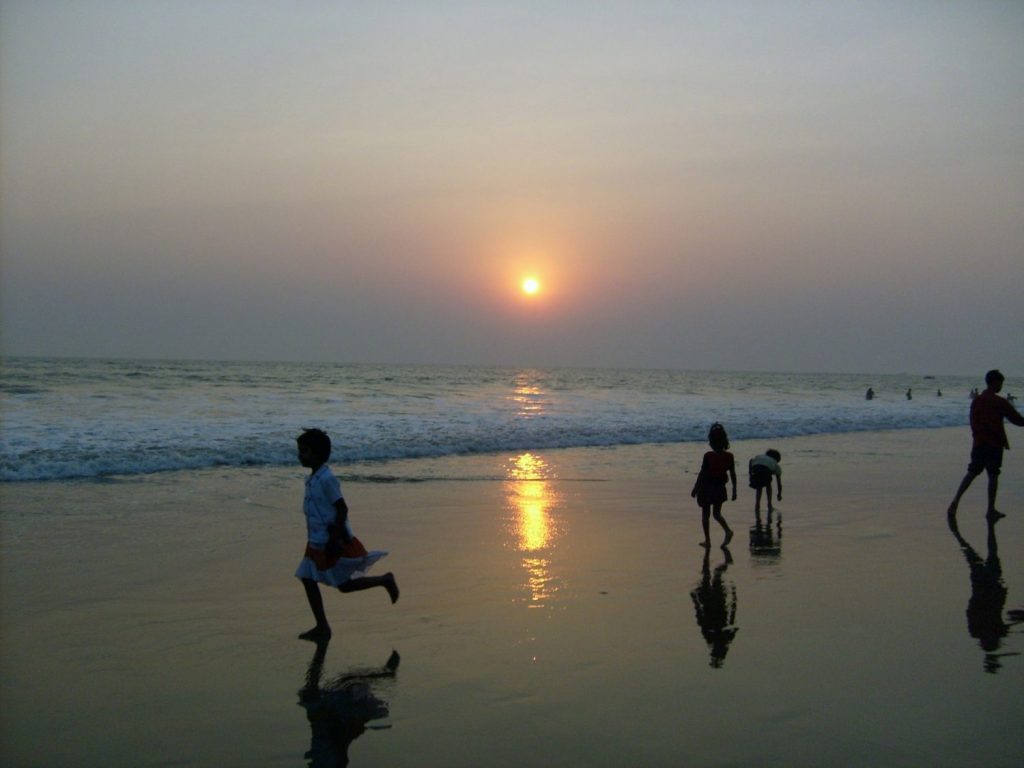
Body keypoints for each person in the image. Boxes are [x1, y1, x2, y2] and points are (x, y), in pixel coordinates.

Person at [295, 428, 399, 640]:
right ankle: (322, 626)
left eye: (304, 451)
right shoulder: (313, 478)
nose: (300, 455)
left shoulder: (327, 479)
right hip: (316, 540)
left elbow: (342, 508)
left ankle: (385, 580)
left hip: (330, 540)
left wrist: (335, 539)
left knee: (343, 585)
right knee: (307, 578)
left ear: (317, 454)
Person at [948, 370, 1024, 520]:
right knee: (993, 476)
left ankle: (955, 501)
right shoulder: (999, 401)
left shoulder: (977, 400)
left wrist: (976, 435)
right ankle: (990, 510)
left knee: (972, 473)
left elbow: (972, 420)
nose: (1001, 386)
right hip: (994, 444)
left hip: (979, 442)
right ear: (995, 382)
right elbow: (1017, 420)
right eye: (1001, 383)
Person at [691, 422, 736, 547]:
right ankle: (727, 530)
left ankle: (708, 540)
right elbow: (733, 474)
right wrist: (734, 490)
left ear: (711, 441)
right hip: (720, 488)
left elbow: (702, 473)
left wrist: (695, 488)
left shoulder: (708, 456)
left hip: (707, 488)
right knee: (717, 514)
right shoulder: (729, 456)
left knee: (706, 514)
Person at [748, 449, 782, 513]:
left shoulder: (760, 456)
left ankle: (757, 504)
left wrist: (750, 474)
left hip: (755, 468)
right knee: (768, 485)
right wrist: (779, 494)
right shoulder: (775, 464)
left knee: (759, 487)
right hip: (765, 471)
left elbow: (751, 460)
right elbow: (779, 482)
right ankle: (769, 504)